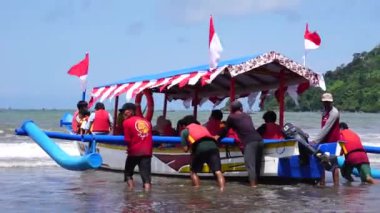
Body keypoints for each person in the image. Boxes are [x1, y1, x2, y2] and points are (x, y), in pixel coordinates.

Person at [216, 100, 263, 187]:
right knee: (257, 164)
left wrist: (217, 137)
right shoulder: (247, 116)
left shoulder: (232, 117)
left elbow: (225, 130)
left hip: (249, 142)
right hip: (259, 140)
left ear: (231, 109)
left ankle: (253, 187)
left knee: (250, 165)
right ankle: (256, 184)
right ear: (241, 108)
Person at [179, 115, 225, 191]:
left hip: (200, 148)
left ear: (185, 124)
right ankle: (222, 190)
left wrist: (189, 144)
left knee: (193, 172)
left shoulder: (185, 131)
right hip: (214, 147)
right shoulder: (203, 127)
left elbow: (185, 149)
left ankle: (197, 190)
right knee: (218, 171)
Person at [122, 103, 153, 190]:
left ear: (129, 111)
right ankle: (147, 197)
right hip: (147, 151)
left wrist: (128, 148)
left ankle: (130, 191)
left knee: (128, 173)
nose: (123, 114)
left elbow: (127, 140)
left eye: (124, 112)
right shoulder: (147, 122)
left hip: (134, 151)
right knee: (146, 178)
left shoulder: (126, 122)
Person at [312, 93, 340, 186]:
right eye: (325, 102)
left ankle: (336, 185)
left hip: (332, 141)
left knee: (334, 164)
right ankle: (322, 183)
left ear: (331, 102)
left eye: (328, 102)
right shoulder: (324, 111)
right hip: (324, 141)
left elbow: (326, 128)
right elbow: (322, 127)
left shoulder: (334, 113)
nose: (326, 104)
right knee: (322, 162)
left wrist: (315, 141)